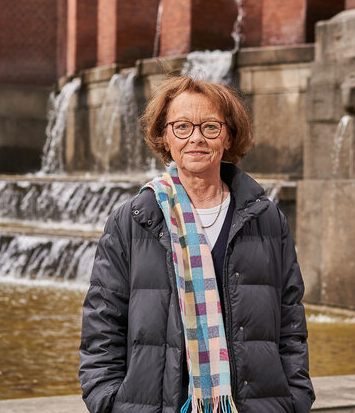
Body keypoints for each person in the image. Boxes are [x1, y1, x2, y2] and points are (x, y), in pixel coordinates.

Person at [79, 76, 314, 413]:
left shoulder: (266, 218)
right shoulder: (132, 220)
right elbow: (102, 324)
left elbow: (291, 319)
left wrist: (293, 400)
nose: (196, 139)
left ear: (229, 135)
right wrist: (110, 401)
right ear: (164, 136)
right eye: (182, 127)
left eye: (210, 127)